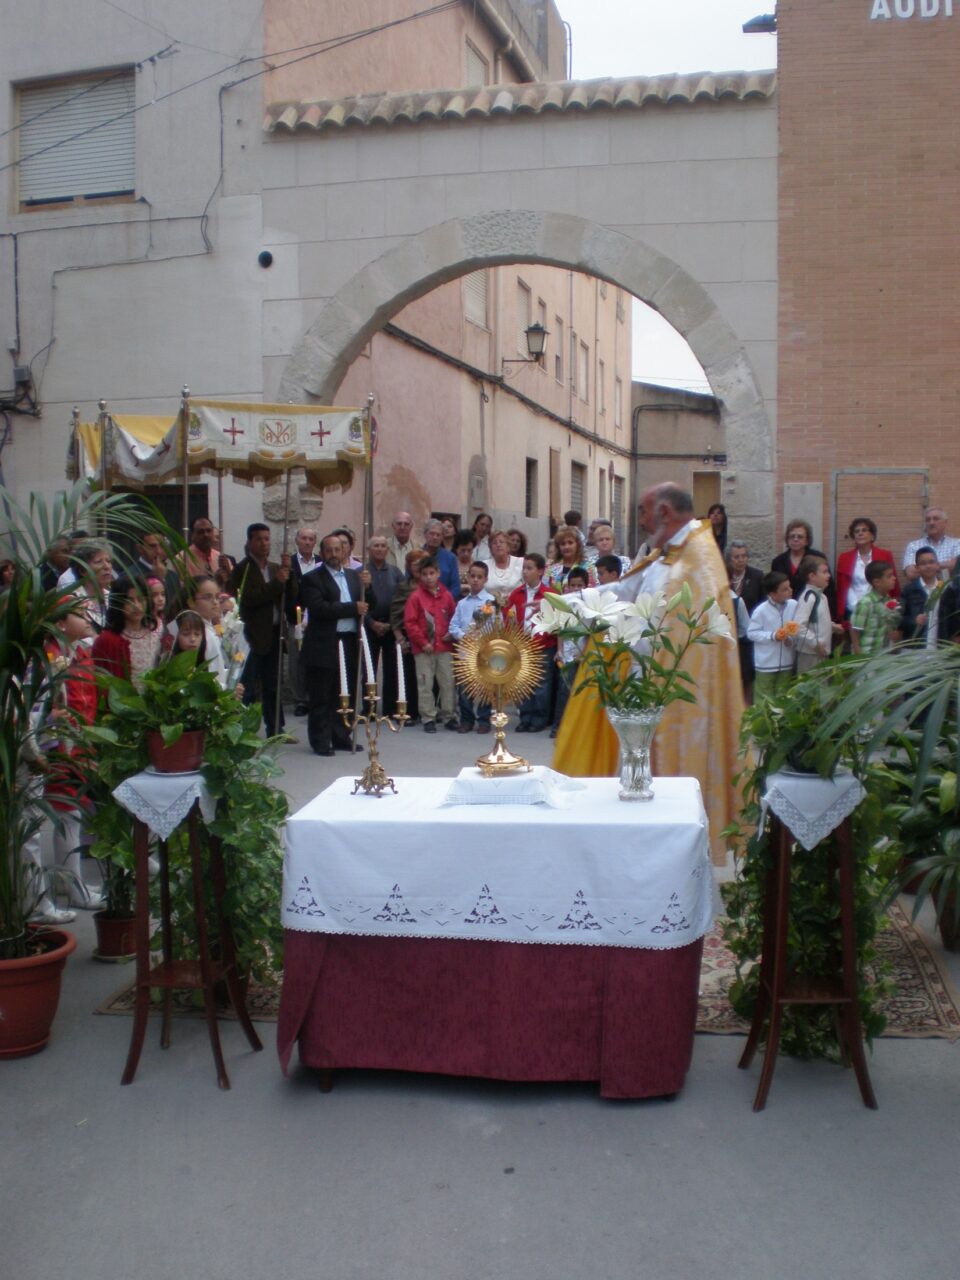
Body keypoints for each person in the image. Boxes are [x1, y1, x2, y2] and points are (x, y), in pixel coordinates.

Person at [554, 483, 745, 864]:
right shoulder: (668, 555)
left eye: (642, 512)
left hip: (675, 698)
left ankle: (670, 859)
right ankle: (638, 854)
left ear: (664, 513)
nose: (639, 521)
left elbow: (672, 632)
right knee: (636, 782)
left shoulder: (697, 561)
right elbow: (624, 592)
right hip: (642, 688)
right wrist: (562, 605)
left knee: (665, 791)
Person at [299, 532, 372, 756]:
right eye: (329, 550)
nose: (333, 554)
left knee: (345, 692)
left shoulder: (353, 576)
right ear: (322, 553)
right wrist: (352, 608)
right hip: (324, 643)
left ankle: (341, 735)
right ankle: (320, 740)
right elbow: (319, 608)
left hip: (349, 641)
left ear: (344, 552)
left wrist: (368, 587)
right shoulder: (313, 578)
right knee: (322, 694)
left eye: (337, 550)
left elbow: (369, 605)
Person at [229, 523, 294, 740]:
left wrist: (289, 572)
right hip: (252, 636)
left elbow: (290, 596)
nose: (264, 543)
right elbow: (251, 598)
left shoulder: (275, 568)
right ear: (249, 542)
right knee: (247, 686)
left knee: (273, 685)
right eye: (259, 539)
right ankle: (242, 729)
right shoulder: (243, 569)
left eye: (267, 539)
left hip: (275, 633)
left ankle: (276, 728)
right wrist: (277, 582)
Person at [403, 555, 458, 733]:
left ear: (438, 573)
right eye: (424, 574)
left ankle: (449, 715)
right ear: (420, 575)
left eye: (431, 573)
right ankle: (428, 717)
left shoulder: (447, 596)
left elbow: (454, 617)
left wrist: (451, 633)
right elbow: (410, 623)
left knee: (447, 681)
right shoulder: (415, 597)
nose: (428, 577)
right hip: (423, 649)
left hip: (444, 647)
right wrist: (422, 642)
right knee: (425, 683)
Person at [506, 553, 556, 733]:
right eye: (524, 568)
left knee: (542, 684)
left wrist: (543, 638)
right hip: (522, 644)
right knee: (523, 682)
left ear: (540, 571)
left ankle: (539, 718)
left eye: (530, 568)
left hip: (543, 644)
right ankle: (525, 717)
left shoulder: (550, 594)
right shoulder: (516, 593)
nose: (525, 572)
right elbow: (508, 616)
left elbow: (555, 621)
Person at [448, 561, 495, 734]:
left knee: (485, 687)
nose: (475, 580)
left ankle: (484, 720)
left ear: (485, 579)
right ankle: (467, 720)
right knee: (465, 689)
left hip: (484, 652)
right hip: (465, 652)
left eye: (479, 577)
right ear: (468, 577)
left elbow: (496, 626)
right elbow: (453, 626)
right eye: (472, 576)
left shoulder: (490, 602)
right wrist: (463, 636)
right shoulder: (462, 603)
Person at [91, 576, 162, 686]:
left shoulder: (158, 630)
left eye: (141, 599)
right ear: (118, 603)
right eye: (130, 601)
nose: (137, 606)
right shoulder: (107, 640)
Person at [366, 533, 404, 715]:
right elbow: (357, 599)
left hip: (391, 626)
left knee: (392, 669)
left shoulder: (395, 572)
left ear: (387, 550)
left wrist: (391, 623)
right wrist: (371, 622)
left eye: (383, 546)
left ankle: (389, 709)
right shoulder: (362, 572)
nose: (380, 549)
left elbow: (403, 599)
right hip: (369, 626)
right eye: (376, 546)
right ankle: (369, 709)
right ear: (369, 550)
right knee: (368, 668)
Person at [551, 566, 590, 737]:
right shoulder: (564, 605)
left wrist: (582, 654)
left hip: (581, 654)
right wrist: (559, 650)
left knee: (580, 693)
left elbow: (589, 633)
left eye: (579, 585)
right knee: (563, 692)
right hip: (566, 655)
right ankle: (558, 727)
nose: (576, 589)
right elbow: (561, 630)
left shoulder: (588, 607)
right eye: (573, 585)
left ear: (586, 587)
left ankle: (578, 729)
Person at [389, 548, 428, 724]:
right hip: (407, 635)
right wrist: (399, 637)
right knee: (408, 675)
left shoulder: (432, 586)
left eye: (422, 563)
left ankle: (426, 711)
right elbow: (395, 613)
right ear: (409, 566)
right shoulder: (403, 587)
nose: (418, 567)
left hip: (427, 636)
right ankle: (408, 711)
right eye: (415, 564)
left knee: (426, 675)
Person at [835, 517, 899, 620]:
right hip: (853, 609)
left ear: (872, 535)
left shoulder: (885, 555)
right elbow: (842, 588)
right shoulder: (844, 558)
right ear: (853, 537)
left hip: (880, 609)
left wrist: (893, 607)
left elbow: (893, 583)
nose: (860, 533)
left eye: (864, 530)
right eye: (857, 531)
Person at [748, 572, 798, 699]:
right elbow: (752, 633)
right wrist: (772, 636)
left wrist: (790, 639)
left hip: (787, 661)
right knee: (764, 698)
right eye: (785, 589)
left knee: (783, 697)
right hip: (766, 663)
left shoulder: (794, 605)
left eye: (789, 587)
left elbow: (797, 627)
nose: (790, 590)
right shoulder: (761, 611)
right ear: (772, 594)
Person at [289, 526, 320, 716]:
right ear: (297, 540)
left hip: (318, 618)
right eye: (304, 538)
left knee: (316, 659)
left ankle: (314, 696)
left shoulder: (321, 562)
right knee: (297, 660)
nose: (307, 542)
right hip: (296, 618)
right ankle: (300, 699)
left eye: (311, 539)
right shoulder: (290, 563)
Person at [793, 556, 843, 673]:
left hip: (820, 652)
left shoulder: (822, 596)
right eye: (824, 572)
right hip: (810, 654)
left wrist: (832, 626)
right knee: (810, 682)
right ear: (812, 576)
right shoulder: (809, 597)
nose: (828, 576)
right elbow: (798, 626)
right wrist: (815, 644)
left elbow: (817, 620)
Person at [850, 561, 902, 656]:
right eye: (889, 576)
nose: (894, 578)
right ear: (877, 582)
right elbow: (855, 631)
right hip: (867, 655)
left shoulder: (888, 600)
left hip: (884, 654)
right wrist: (858, 655)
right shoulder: (865, 603)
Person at [771, 519, 828, 599]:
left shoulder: (818, 558)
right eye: (792, 536)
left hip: (811, 601)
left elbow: (828, 587)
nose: (795, 539)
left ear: (807, 541)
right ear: (787, 539)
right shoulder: (778, 561)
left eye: (800, 537)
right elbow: (774, 587)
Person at [902, 508, 960, 581]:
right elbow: (911, 573)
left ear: (945, 523)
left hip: (951, 587)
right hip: (921, 588)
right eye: (928, 520)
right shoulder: (914, 546)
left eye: (936, 519)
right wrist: (944, 565)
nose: (931, 522)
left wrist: (923, 567)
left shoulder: (957, 544)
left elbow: (957, 567)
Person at [900, 547, 942, 644]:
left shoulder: (946, 588)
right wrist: (914, 620)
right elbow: (899, 619)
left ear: (937, 565)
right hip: (916, 645)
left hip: (941, 645)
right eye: (923, 563)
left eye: (931, 562)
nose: (928, 566)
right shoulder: (908, 590)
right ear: (917, 567)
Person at [544, 525, 597, 589]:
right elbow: (544, 587)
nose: (566, 547)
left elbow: (592, 590)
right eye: (563, 544)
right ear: (558, 547)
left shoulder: (588, 567)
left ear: (577, 545)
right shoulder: (550, 565)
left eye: (570, 543)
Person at [421, 518, 460, 598]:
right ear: (425, 534)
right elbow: (409, 583)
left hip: (444, 602)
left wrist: (442, 601)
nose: (435, 537)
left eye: (438, 535)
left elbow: (456, 587)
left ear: (442, 537)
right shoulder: (416, 556)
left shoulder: (450, 558)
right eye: (432, 534)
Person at [725, 541, 764, 614]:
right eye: (736, 557)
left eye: (744, 556)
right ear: (729, 559)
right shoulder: (724, 576)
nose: (741, 560)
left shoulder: (757, 576)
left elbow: (763, 602)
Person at [483, 529, 524, 599]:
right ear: (491, 549)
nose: (498, 545)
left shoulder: (521, 562)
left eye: (501, 542)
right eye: (494, 543)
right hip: (489, 605)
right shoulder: (484, 565)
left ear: (508, 547)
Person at [178, 515, 221, 579]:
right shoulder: (182, 559)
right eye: (201, 532)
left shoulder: (220, 557)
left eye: (209, 531)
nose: (206, 535)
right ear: (192, 535)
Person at [452, 529, 477, 597]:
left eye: (469, 550)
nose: (466, 553)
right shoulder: (450, 565)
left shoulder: (477, 566)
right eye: (463, 550)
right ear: (456, 549)